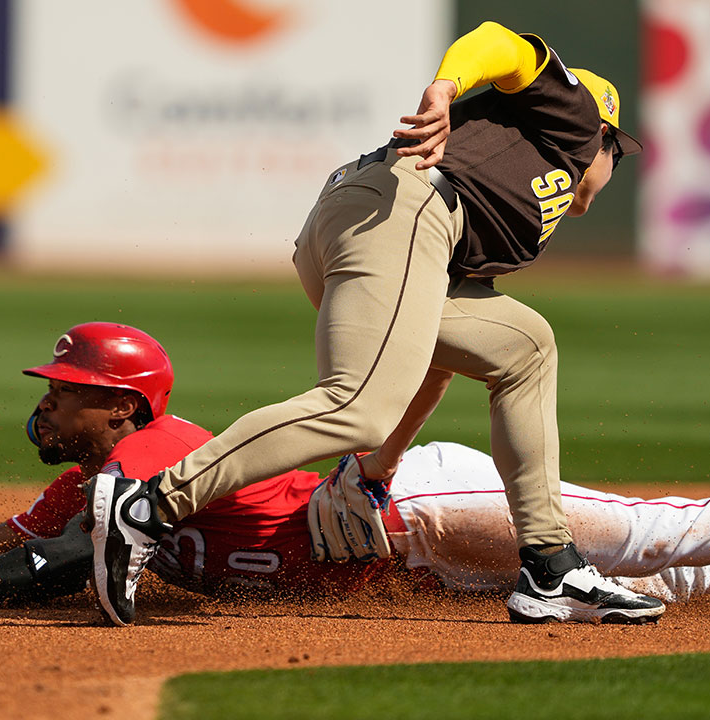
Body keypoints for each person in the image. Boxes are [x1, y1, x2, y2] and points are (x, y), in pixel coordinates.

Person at [85, 20, 667, 627]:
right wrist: (445, 88)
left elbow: (431, 359)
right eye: (615, 153)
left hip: (371, 216)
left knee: (523, 349)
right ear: (600, 135)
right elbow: (503, 42)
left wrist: (376, 473)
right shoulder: (572, 122)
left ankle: (549, 568)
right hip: (402, 208)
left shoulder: (520, 197)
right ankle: (148, 505)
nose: (611, 166)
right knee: (355, 408)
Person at [0, 323, 710, 621]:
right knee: (656, 592)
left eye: (58, 387)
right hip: (403, 579)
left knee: (646, 538)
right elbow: (31, 549)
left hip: (414, 507)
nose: (42, 401)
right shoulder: (88, 485)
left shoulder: (160, 450)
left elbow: (83, 542)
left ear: (114, 404)